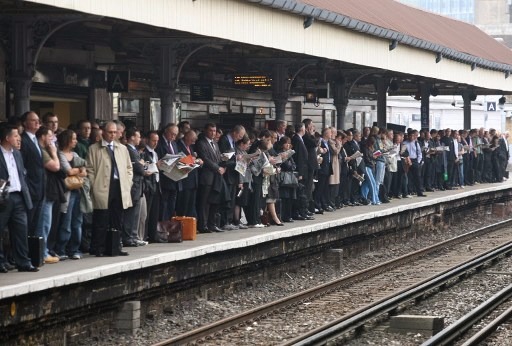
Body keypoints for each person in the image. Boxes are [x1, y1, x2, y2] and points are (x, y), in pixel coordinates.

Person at [87, 121, 132, 257]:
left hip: (119, 186)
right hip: (102, 187)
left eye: (115, 132)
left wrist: (127, 183)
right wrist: (94, 185)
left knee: (117, 218)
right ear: (103, 132)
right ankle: (98, 248)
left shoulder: (122, 148)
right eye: (110, 132)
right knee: (101, 219)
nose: (113, 135)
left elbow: (129, 168)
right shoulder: (94, 148)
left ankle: (115, 247)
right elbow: (90, 169)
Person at [0, 123, 38, 272]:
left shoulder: (17, 153)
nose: (19, 139)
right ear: (7, 138)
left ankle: (23, 262)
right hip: (3, 198)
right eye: (15, 135)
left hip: (19, 197)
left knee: (21, 230)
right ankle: (1, 262)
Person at [54, 130, 87, 260]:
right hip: (67, 192)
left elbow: (85, 169)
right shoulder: (60, 154)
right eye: (73, 139)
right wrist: (78, 171)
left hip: (77, 190)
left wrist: (77, 171)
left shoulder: (75, 154)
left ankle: (74, 248)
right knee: (66, 221)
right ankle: (61, 248)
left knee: (77, 221)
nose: (75, 141)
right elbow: (68, 170)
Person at [35, 126, 61, 264]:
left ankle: (43, 251)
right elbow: (56, 166)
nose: (52, 140)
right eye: (50, 136)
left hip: (48, 190)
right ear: (43, 136)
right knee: (44, 223)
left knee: (47, 222)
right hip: (44, 191)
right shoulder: (43, 151)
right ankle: (42, 252)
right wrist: (54, 152)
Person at [196, 123, 225, 233]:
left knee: (214, 200)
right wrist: (217, 167)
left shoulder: (215, 144)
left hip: (216, 176)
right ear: (205, 131)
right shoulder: (201, 143)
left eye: (214, 131)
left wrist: (222, 165)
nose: (213, 133)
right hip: (207, 176)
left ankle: (212, 223)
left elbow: (218, 157)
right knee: (204, 202)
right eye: (210, 131)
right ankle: (203, 225)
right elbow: (205, 158)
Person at [20, 111, 45, 240]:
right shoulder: (23, 140)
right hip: (30, 188)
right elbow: (22, 166)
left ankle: (32, 251)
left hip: (40, 188)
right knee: (27, 222)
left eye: (38, 120)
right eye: (33, 120)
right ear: (25, 123)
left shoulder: (36, 139)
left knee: (36, 223)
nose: (37, 122)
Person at [218, 125, 246, 230]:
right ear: (234, 132)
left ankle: (229, 220)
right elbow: (224, 156)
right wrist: (236, 158)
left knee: (232, 198)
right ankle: (224, 221)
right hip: (226, 173)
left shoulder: (233, 142)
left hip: (233, 173)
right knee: (226, 198)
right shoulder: (224, 140)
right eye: (240, 135)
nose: (240, 138)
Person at [123, 128, 147, 247]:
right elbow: (139, 168)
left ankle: (133, 235)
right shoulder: (129, 150)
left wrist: (141, 164)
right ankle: (128, 236)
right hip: (134, 185)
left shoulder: (135, 151)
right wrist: (141, 164)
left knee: (136, 213)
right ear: (132, 137)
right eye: (138, 136)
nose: (140, 139)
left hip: (139, 185)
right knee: (131, 212)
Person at [156, 124, 182, 221]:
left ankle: (170, 226)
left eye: (175, 135)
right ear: (166, 131)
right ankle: (163, 226)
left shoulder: (174, 143)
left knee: (172, 204)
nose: (173, 137)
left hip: (174, 178)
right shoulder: (159, 142)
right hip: (164, 178)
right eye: (172, 134)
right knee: (163, 204)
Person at [176, 129, 203, 218]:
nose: (193, 142)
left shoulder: (190, 147)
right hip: (184, 180)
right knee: (183, 205)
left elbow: (192, 158)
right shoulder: (178, 145)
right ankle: (181, 226)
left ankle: (190, 225)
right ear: (186, 137)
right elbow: (179, 160)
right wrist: (193, 160)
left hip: (193, 180)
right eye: (192, 140)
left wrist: (198, 161)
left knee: (191, 206)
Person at [141, 131, 161, 242]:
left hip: (156, 183)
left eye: (157, 141)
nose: (155, 143)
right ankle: (144, 235)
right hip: (148, 185)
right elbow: (145, 167)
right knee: (146, 213)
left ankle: (153, 235)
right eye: (153, 140)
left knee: (154, 212)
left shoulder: (155, 153)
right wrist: (155, 165)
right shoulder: (144, 152)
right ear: (148, 140)